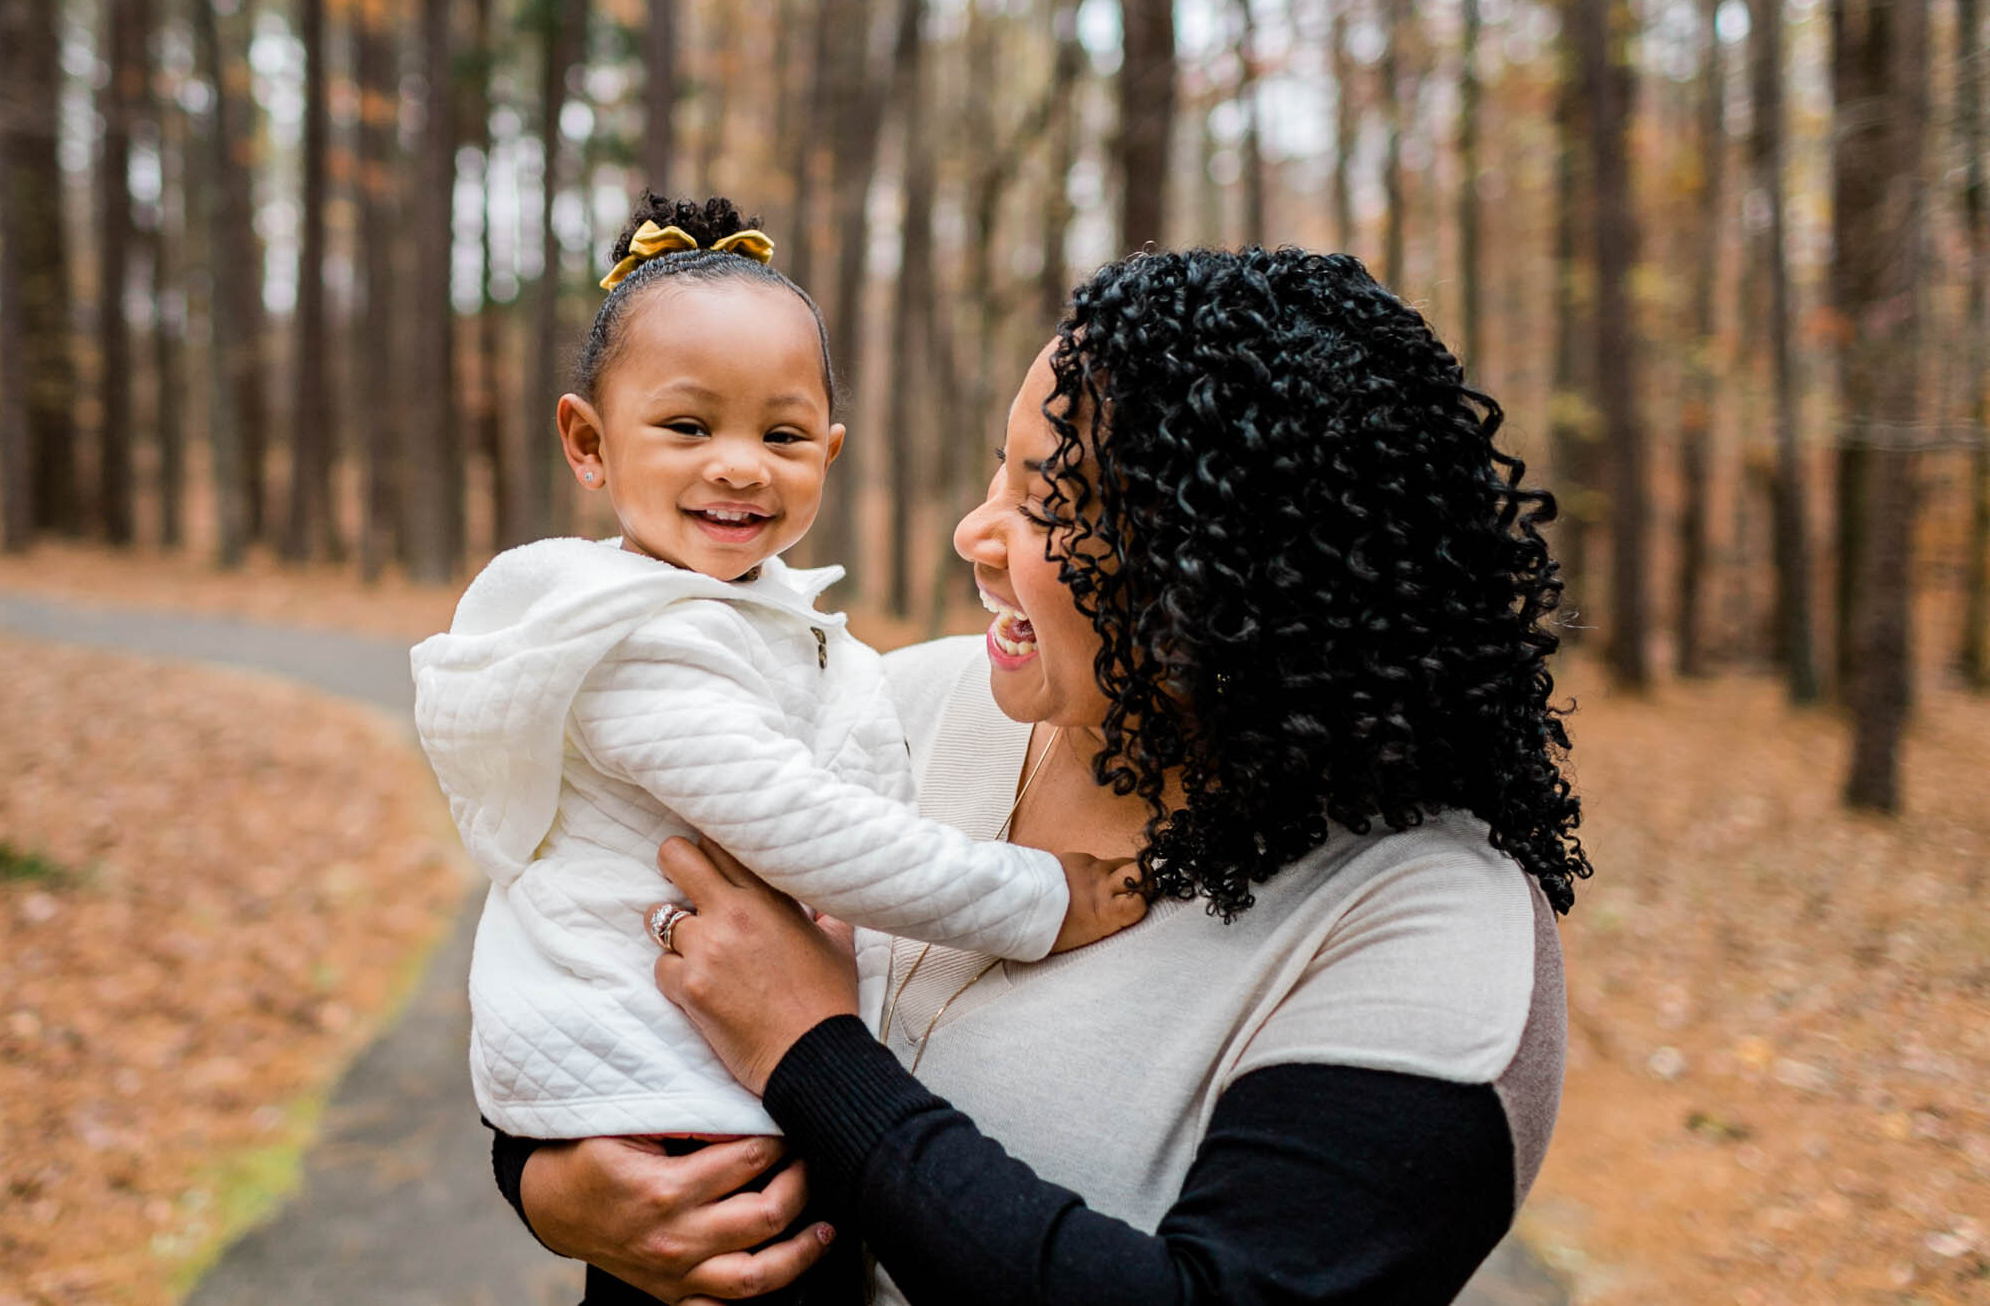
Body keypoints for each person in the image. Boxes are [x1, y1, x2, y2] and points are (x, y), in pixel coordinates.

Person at [494, 246, 1592, 1305]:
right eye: (998, 472)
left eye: (1051, 506)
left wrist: (810, 1054)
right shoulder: (899, 707)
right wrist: (552, 1188)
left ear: (1229, 577)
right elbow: (589, 939)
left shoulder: (1424, 927)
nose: (974, 532)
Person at [410, 194, 1143, 1171]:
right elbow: (804, 830)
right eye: (686, 425)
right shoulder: (633, 641)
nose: (739, 467)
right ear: (587, 443)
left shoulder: (756, 616)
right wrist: (1035, 900)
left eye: (783, 437)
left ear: (828, 453)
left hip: (698, 1065)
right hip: (658, 1079)